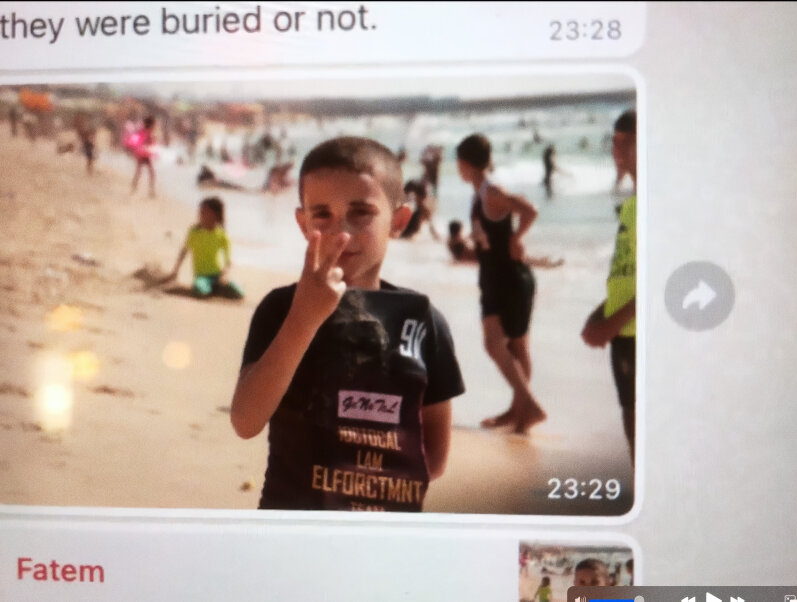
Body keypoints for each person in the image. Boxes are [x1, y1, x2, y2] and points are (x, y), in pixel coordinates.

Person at [231, 137, 464, 512]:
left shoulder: (422, 321)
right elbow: (246, 421)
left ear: (399, 221)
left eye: (361, 212)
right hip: (292, 532)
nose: (343, 232)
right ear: (303, 223)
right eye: (322, 214)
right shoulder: (282, 309)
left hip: (385, 540)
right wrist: (304, 319)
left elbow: (434, 458)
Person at [457, 133, 546, 434]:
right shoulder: (478, 192)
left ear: (465, 163)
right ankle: (520, 410)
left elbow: (530, 209)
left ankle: (527, 406)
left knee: (500, 345)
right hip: (494, 277)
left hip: (510, 278)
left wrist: (516, 238)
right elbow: (489, 238)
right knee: (508, 346)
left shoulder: (491, 192)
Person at [582, 109, 637, 461]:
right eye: (613, 142)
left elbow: (669, 280)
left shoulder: (658, 204)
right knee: (631, 421)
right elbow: (629, 274)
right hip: (622, 332)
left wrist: (613, 322)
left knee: (642, 425)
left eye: (625, 141)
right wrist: (600, 315)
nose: (616, 149)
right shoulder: (631, 205)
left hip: (640, 336)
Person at [164, 197, 244, 299]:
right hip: (201, 276)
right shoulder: (194, 232)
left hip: (217, 275)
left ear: (215, 215)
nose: (200, 215)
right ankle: (212, 289)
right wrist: (175, 272)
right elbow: (184, 251)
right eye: (200, 212)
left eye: (204, 212)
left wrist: (224, 275)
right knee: (201, 291)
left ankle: (217, 288)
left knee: (239, 293)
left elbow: (228, 261)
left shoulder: (221, 235)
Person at [126, 116, 157, 197]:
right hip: (143, 154)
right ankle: (150, 190)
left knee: (140, 172)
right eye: (153, 125)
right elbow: (145, 143)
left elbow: (136, 141)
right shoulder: (146, 133)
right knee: (149, 173)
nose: (154, 127)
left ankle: (135, 187)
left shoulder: (145, 132)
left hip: (142, 154)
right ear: (150, 125)